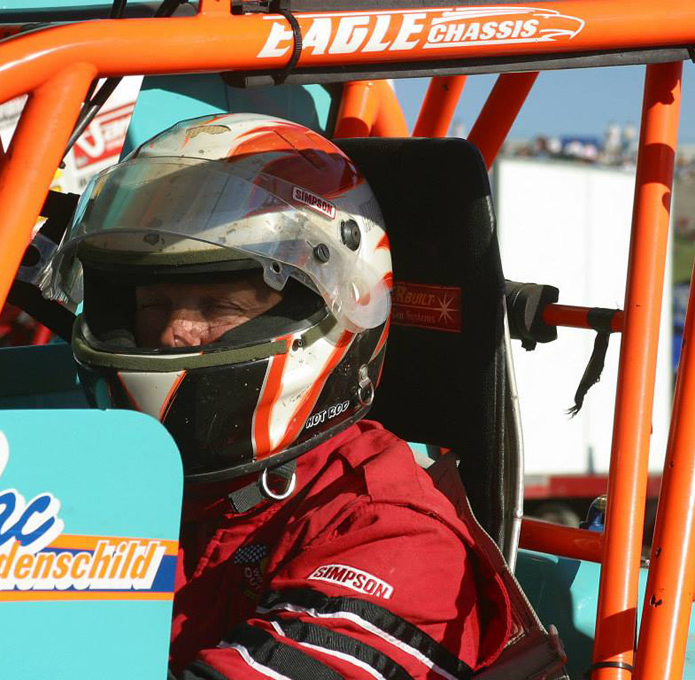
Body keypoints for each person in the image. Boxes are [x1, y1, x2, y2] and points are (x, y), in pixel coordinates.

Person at [46, 113, 517, 678]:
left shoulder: (390, 532)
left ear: (333, 308)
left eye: (218, 306)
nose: (174, 332)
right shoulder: (115, 482)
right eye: (152, 305)